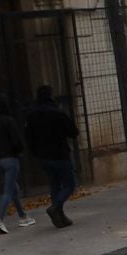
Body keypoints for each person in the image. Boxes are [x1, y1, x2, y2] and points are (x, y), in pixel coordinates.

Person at [25, 85, 80, 228]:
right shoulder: (57, 113)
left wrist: (36, 152)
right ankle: (56, 207)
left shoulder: (32, 115)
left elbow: (29, 137)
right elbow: (73, 131)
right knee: (69, 184)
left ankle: (59, 216)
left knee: (54, 184)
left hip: (43, 156)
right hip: (60, 153)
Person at [0, 93, 34, 234]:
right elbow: (16, 141)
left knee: (14, 189)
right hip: (10, 159)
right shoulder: (9, 120)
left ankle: (23, 216)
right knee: (8, 191)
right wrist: (19, 151)